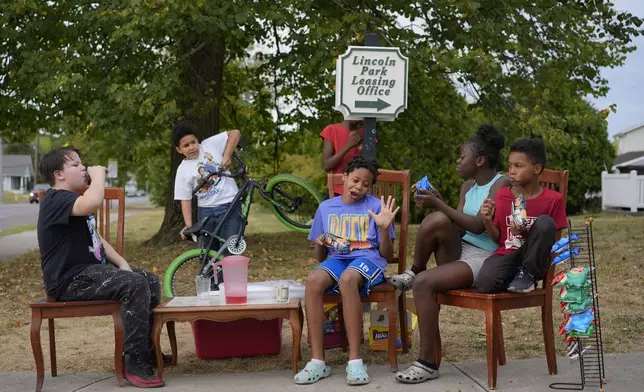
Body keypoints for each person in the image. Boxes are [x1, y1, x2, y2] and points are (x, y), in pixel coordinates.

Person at [36, 147, 164, 388]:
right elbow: (93, 202)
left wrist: (123, 264)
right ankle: (133, 361)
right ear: (59, 174)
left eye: (83, 163)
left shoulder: (72, 202)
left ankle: (145, 351)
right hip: (68, 281)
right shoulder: (55, 199)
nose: (83, 167)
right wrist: (98, 176)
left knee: (148, 279)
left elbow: (96, 239)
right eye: (75, 165)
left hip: (90, 274)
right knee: (133, 283)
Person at [392, 124, 510, 384]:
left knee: (424, 285)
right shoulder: (468, 186)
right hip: (463, 249)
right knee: (436, 219)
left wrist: (439, 203)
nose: (458, 161)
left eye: (462, 156)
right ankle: (416, 269)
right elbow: (458, 224)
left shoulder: (501, 183)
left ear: (480, 160)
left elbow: (479, 224)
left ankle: (427, 363)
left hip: (485, 258)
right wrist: (439, 201)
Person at [295, 156, 398, 386]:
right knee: (313, 280)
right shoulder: (326, 208)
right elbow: (320, 257)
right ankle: (318, 361)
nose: (359, 187)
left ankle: (355, 361)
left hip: (368, 259)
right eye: (355, 180)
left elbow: (388, 255)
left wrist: (383, 228)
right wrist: (319, 243)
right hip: (336, 259)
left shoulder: (375, 207)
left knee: (348, 279)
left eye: (365, 184)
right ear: (344, 177)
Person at [476, 136, 567, 294]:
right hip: (509, 255)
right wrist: (487, 221)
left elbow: (553, 240)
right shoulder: (502, 196)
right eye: (510, 165)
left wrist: (526, 232)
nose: (511, 171)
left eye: (518, 166)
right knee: (484, 283)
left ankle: (527, 274)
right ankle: (517, 277)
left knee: (546, 222)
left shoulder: (554, 199)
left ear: (536, 169)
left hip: (535, 260)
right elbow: (498, 239)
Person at [173, 121, 242, 249]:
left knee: (230, 252)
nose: (192, 147)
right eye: (186, 145)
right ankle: (212, 270)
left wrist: (226, 156)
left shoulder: (209, 145)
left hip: (230, 205)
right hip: (206, 212)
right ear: (179, 149)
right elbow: (185, 199)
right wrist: (189, 226)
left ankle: (231, 269)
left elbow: (235, 133)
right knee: (207, 256)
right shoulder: (182, 170)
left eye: (193, 142)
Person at [321, 120, 365, 196]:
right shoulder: (331, 130)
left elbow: (371, 166)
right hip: (336, 191)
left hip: (360, 190)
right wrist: (348, 146)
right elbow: (327, 166)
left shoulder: (366, 132)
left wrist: (361, 151)